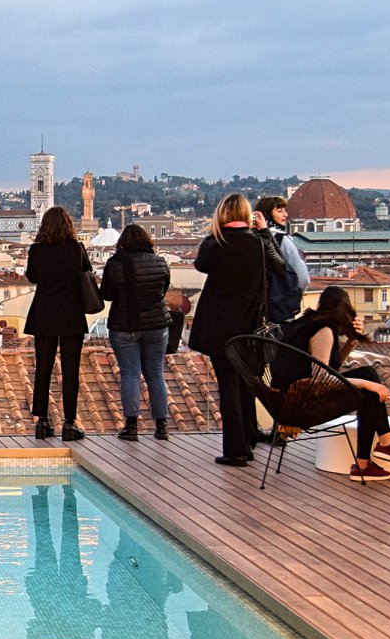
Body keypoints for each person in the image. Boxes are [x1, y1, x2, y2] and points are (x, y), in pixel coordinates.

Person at [188, 194, 286, 467]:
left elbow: (200, 265)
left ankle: (235, 450)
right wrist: (265, 232)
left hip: (219, 326)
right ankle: (248, 440)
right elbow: (280, 267)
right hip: (251, 326)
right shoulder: (257, 243)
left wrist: (213, 231)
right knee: (246, 384)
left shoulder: (214, 244)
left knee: (228, 386)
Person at [278, 286, 390, 479]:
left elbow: (329, 369)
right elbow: (321, 379)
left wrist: (351, 342)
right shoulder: (323, 331)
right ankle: (380, 449)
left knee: (367, 381)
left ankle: (372, 457)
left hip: (291, 399)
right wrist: (366, 384)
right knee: (368, 383)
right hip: (302, 404)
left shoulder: (306, 323)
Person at [23, 206, 94, 441]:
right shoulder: (76, 249)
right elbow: (86, 272)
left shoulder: (37, 250)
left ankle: (42, 422)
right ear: (68, 226)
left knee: (43, 368)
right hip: (71, 314)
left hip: (43, 313)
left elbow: (32, 276)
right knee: (70, 370)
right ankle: (69, 423)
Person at [100, 224, 171, 441]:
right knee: (155, 373)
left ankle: (131, 426)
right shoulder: (160, 262)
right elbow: (163, 289)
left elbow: (107, 295)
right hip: (156, 326)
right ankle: (161, 426)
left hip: (125, 325)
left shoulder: (115, 264)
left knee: (130, 374)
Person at [255, 196, 310, 324]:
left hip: (254, 307)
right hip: (279, 307)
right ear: (267, 214)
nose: (285, 214)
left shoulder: (251, 238)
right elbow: (302, 278)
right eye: (279, 211)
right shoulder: (281, 239)